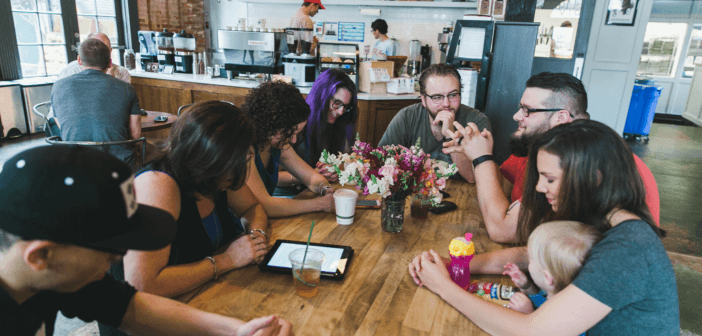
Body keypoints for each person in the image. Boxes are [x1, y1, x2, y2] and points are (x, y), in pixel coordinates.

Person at [410, 120, 679, 335]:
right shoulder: (602, 218)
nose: (539, 187)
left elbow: (532, 330)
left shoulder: (627, 251)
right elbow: (530, 254)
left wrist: (444, 287)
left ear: (592, 179)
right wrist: (459, 265)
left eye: (549, 179)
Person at [0, 145, 292, 336]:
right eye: (111, 250)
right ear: (40, 256)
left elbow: (129, 306)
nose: (119, 259)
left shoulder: (56, 272)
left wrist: (239, 330)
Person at [99, 101, 273, 336]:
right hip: (144, 322)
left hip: (196, 298)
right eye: (238, 160)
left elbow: (253, 208)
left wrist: (256, 237)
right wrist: (226, 260)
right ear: (211, 159)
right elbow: (143, 285)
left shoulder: (217, 176)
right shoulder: (157, 186)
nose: (242, 166)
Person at [445, 71, 659, 243]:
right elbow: (499, 190)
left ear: (561, 117)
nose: (516, 116)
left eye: (527, 110)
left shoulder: (579, 161)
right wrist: (470, 153)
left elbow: (503, 231)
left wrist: (482, 158)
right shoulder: (540, 143)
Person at [378, 63, 491, 183]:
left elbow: (473, 178)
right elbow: (380, 164)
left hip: (463, 196)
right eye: (437, 97)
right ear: (423, 100)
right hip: (415, 194)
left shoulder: (476, 121)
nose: (446, 103)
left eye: (453, 95)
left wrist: (450, 135)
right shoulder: (407, 117)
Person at [243, 81, 336, 217]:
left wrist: (325, 189)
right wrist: (320, 204)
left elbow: (311, 177)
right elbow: (265, 205)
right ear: (272, 125)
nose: (293, 140)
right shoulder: (244, 149)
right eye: (290, 133)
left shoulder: (276, 142)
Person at [51, 38, 141, 165]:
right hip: (118, 162)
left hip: (75, 161)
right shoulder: (127, 88)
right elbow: (135, 135)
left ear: (79, 60)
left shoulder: (58, 86)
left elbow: (62, 124)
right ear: (110, 63)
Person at [502, 221, 601, 315]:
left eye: (530, 259)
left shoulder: (568, 315)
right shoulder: (556, 292)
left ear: (547, 277)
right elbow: (541, 301)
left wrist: (528, 314)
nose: (528, 261)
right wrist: (527, 286)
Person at [292, 68, 358, 184]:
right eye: (337, 103)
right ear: (321, 97)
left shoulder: (339, 123)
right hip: (289, 194)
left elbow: (346, 158)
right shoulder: (297, 122)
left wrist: (335, 172)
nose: (341, 112)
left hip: (315, 190)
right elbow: (274, 177)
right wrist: (312, 174)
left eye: (346, 106)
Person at [59, 32, 131, 83]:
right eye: (94, 52)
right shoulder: (69, 71)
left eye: (104, 51)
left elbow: (125, 102)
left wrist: (112, 81)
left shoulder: (122, 72)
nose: (99, 56)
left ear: (110, 51)